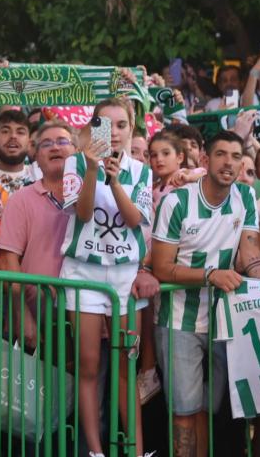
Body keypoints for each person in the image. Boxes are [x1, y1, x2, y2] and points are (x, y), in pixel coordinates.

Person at [152, 130, 260, 457]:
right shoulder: (176, 201)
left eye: (236, 156)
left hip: (224, 320)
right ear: (205, 159)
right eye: (221, 154)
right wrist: (210, 275)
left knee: (208, 410)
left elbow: (249, 252)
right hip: (178, 319)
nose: (229, 162)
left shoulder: (246, 197)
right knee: (184, 411)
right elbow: (162, 267)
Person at [60, 99, 156, 457]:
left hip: (123, 277)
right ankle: (96, 452)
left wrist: (115, 181)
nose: (113, 133)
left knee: (124, 367)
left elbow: (135, 220)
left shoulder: (141, 171)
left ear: (132, 129)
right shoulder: (75, 161)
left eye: (121, 125)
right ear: (93, 126)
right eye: (105, 124)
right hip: (82, 273)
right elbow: (82, 213)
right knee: (89, 364)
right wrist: (91, 169)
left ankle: (135, 450)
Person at [0, 121, 77, 348]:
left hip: (88, 309)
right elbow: (8, 259)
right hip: (39, 313)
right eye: (46, 144)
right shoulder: (21, 199)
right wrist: (22, 313)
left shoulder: (95, 196)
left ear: (76, 151)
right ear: (36, 157)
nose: (55, 148)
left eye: (63, 142)